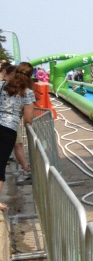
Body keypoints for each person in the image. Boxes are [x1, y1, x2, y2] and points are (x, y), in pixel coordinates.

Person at [0, 62, 35, 209]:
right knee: (1, 163)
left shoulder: (2, 85)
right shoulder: (27, 93)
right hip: (8, 129)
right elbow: (28, 118)